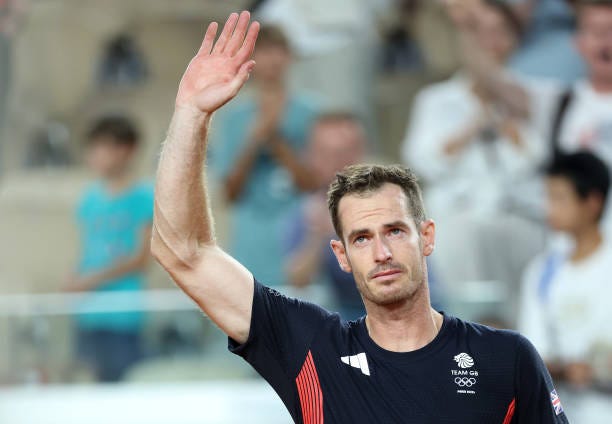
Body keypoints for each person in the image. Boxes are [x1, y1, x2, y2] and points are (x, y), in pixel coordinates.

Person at [152, 11, 568, 422]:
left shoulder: (507, 359)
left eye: (395, 231)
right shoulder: (312, 350)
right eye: (362, 238)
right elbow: (184, 253)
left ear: (427, 236)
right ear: (342, 254)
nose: (382, 251)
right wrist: (191, 114)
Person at [402, 0, 546, 316]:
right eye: (480, 33)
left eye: (500, 33)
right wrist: (474, 123)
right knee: (468, 315)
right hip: (458, 220)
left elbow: (538, 158)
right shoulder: (436, 100)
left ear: (514, 39)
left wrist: (506, 117)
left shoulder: (534, 95)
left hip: (520, 218)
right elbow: (423, 162)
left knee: (523, 312)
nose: (490, 43)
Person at [210, 24, 319, 287]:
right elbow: (230, 193)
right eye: (264, 51)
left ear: (289, 57)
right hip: (251, 245)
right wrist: (254, 142)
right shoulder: (232, 118)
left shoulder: (313, 114)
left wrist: (276, 142)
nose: (272, 60)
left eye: (278, 51)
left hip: (301, 241)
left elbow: (316, 185)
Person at [67, 115, 153, 382]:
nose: (94, 157)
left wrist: (92, 279)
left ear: (126, 150)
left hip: (122, 313)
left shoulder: (144, 196)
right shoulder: (90, 198)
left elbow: (141, 258)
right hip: (86, 313)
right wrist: (74, 279)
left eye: (102, 148)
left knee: (120, 386)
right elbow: (86, 249)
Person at [519, 151, 612, 392]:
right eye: (547, 197)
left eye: (559, 198)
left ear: (593, 202)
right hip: (562, 411)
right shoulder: (542, 271)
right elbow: (534, 355)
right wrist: (566, 370)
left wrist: (597, 369)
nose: (548, 208)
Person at [284, 112, 367, 320]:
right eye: (324, 153)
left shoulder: (391, 201)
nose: (337, 163)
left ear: (361, 153)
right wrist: (318, 234)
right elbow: (298, 278)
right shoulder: (307, 211)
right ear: (310, 157)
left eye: (344, 152)